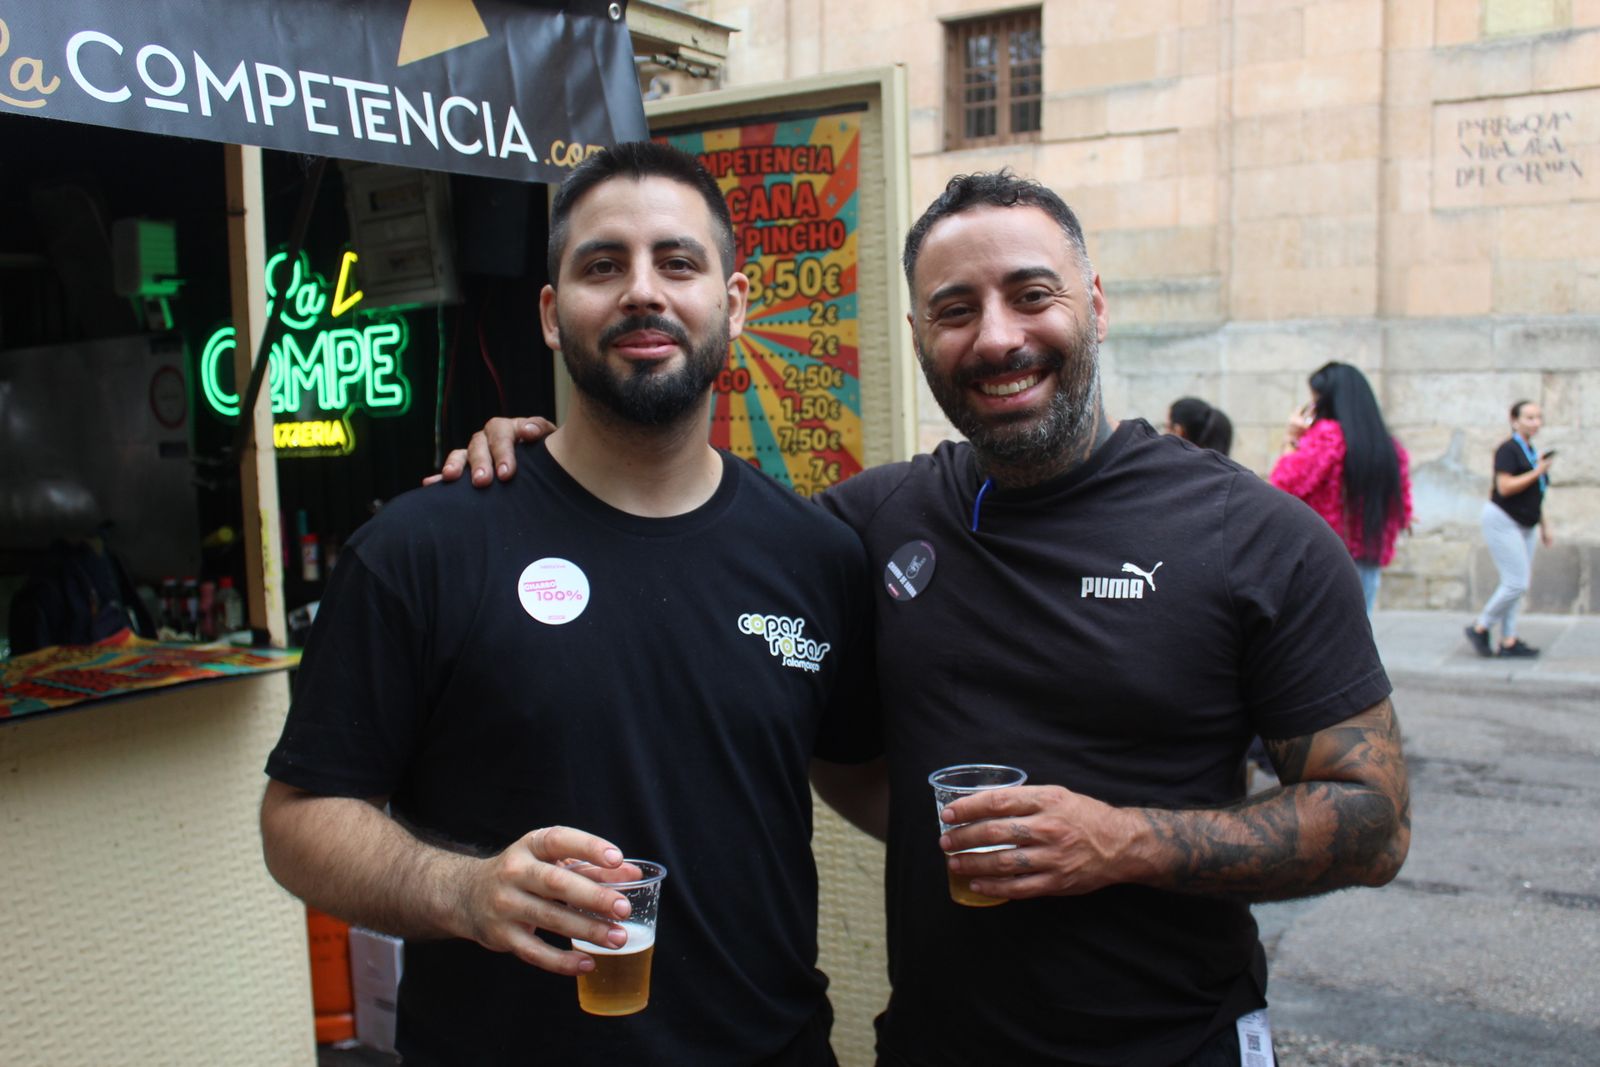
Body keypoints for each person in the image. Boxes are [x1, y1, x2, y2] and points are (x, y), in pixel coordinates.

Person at [448, 171, 1411, 1066]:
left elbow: (1376, 822)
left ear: (1096, 302)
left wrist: (1123, 840)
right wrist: (550, 466)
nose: (996, 337)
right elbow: (694, 547)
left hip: (1176, 1043)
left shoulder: (1256, 537)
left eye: (1032, 294)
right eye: (955, 310)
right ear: (918, 336)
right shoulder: (868, 525)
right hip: (933, 1044)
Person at [259, 143, 875, 1066]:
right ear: (551, 314)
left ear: (735, 303)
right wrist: (462, 890)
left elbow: (864, 768)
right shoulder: (424, 548)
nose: (642, 292)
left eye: (678, 262)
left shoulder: (817, 555)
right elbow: (298, 822)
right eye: (602, 265)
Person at [1269, 362, 1413, 612]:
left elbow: (1283, 484)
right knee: (1360, 627)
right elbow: (1400, 501)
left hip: (1325, 555)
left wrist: (1291, 440)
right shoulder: (1387, 444)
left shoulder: (1328, 437)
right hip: (1367, 554)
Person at [1464, 400, 1555, 658]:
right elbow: (1505, 487)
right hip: (1504, 520)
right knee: (1516, 582)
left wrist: (1545, 525)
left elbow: (1537, 494)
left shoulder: (1531, 450)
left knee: (1518, 583)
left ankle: (1509, 639)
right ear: (1515, 420)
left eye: (1538, 417)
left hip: (1527, 523)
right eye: (1529, 418)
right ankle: (1481, 626)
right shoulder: (1508, 450)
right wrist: (1538, 471)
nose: (1535, 423)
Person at [1165, 395, 1233, 455]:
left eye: (1167, 427)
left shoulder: (1168, 464)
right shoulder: (1231, 465)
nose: (1164, 434)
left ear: (1178, 431)